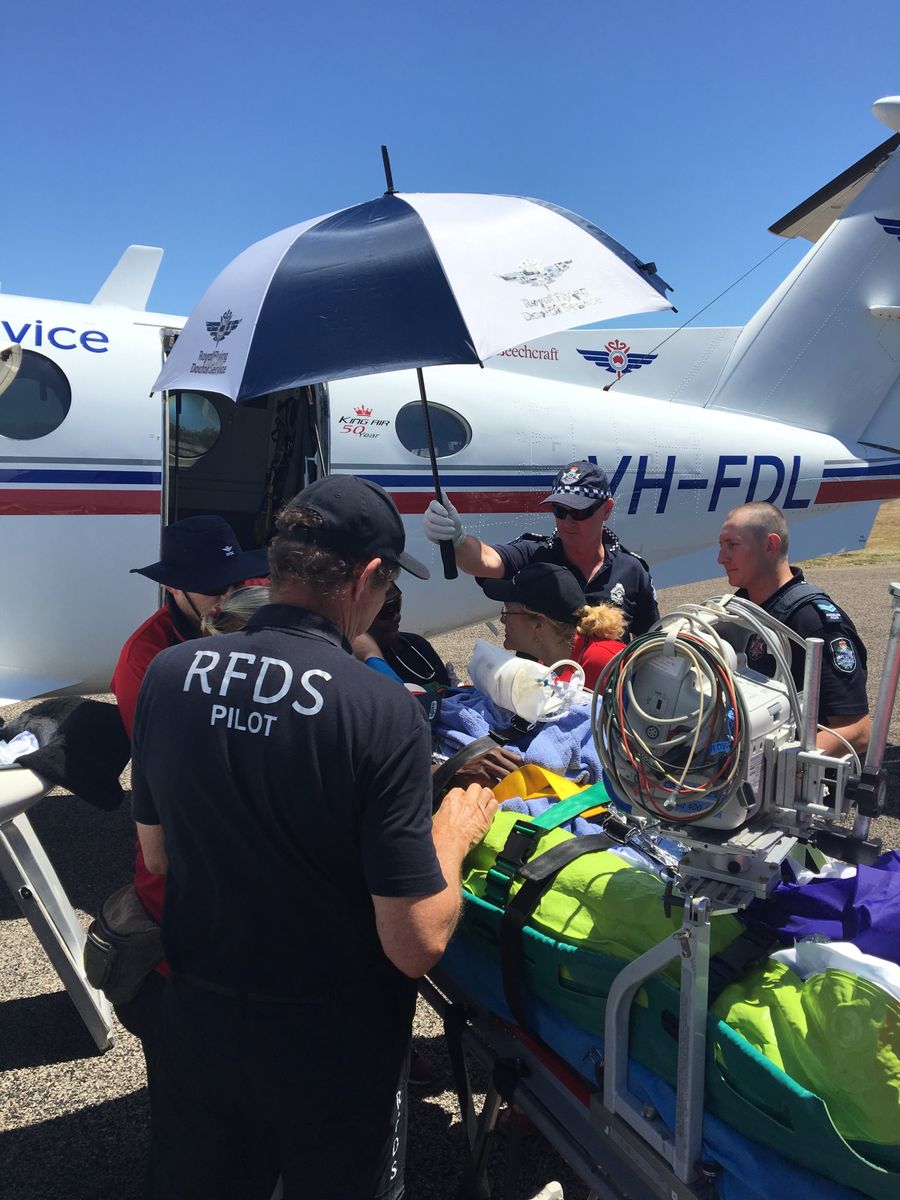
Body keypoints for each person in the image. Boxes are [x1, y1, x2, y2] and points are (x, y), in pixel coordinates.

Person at [130, 474, 498, 1199]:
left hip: (200, 1017)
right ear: (366, 577)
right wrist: (452, 833)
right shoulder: (379, 710)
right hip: (331, 1043)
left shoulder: (170, 673)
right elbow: (415, 942)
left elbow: (157, 853)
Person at [109, 518, 268, 1072]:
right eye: (213, 586)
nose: (229, 595)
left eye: (236, 581)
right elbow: (173, 780)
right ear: (173, 586)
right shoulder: (145, 658)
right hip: (187, 849)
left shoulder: (246, 609)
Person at [423, 459, 659, 636]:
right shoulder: (535, 554)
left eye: (580, 512)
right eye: (560, 511)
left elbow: (648, 643)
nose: (568, 521)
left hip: (605, 684)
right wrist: (458, 540)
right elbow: (485, 560)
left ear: (606, 509)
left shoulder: (631, 570)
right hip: (541, 687)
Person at [717, 501, 870, 756]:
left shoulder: (814, 623)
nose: (721, 558)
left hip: (790, 777)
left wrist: (776, 765)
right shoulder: (738, 611)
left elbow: (857, 731)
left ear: (770, 545)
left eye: (732, 545)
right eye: (721, 546)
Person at [482, 562, 628, 690]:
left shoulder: (608, 663)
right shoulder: (549, 662)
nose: (503, 620)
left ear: (539, 624)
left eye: (508, 612)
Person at [366, 582, 453, 688]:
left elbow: (451, 693)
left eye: (398, 605)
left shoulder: (417, 646)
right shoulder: (351, 667)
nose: (397, 616)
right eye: (387, 610)